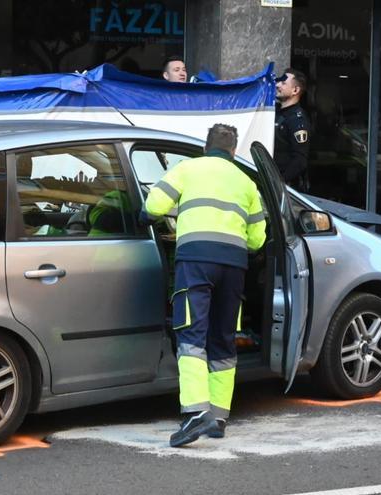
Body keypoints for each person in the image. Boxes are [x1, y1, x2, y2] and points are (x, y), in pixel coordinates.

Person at [142, 124, 266, 447]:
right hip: (235, 266)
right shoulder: (247, 182)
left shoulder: (188, 169)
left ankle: (196, 412)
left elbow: (154, 206)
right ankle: (218, 417)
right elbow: (258, 238)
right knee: (223, 338)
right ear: (233, 152)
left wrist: (151, 215)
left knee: (191, 333)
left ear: (205, 147)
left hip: (196, 260)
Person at [274, 68, 311, 191]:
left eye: (284, 83)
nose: (278, 85)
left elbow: (300, 160)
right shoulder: (275, 112)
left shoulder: (297, 120)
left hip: (284, 189)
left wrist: (278, 183)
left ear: (295, 90)